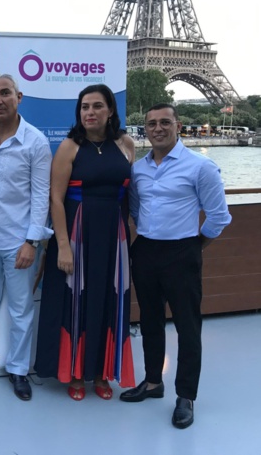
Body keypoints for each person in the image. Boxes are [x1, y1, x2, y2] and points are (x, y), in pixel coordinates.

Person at [121, 103, 232, 429]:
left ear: (178, 126)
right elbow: (137, 211)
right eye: (151, 123)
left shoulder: (201, 167)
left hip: (182, 252)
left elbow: (219, 217)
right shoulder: (138, 169)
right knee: (150, 321)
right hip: (146, 252)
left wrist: (194, 246)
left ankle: (186, 395)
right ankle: (153, 382)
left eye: (164, 122)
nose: (158, 128)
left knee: (187, 326)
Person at [34, 83, 136, 401]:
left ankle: (102, 372)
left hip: (114, 237)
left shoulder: (126, 144)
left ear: (110, 111)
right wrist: (63, 245)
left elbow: (130, 196)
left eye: (96, 106)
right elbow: (56, 199)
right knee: (75, 302)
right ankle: (76, 373)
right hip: (77, 235)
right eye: (84, 107)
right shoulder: (69, 146)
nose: (89, 112)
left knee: (109, 300)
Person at [0, 74, 52, 401]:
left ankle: (17, 369)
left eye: (5, 93)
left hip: (19, 243)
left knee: (20, 309)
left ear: (19, 97)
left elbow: (40, 196)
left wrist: (32, 241)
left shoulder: (35, 142)